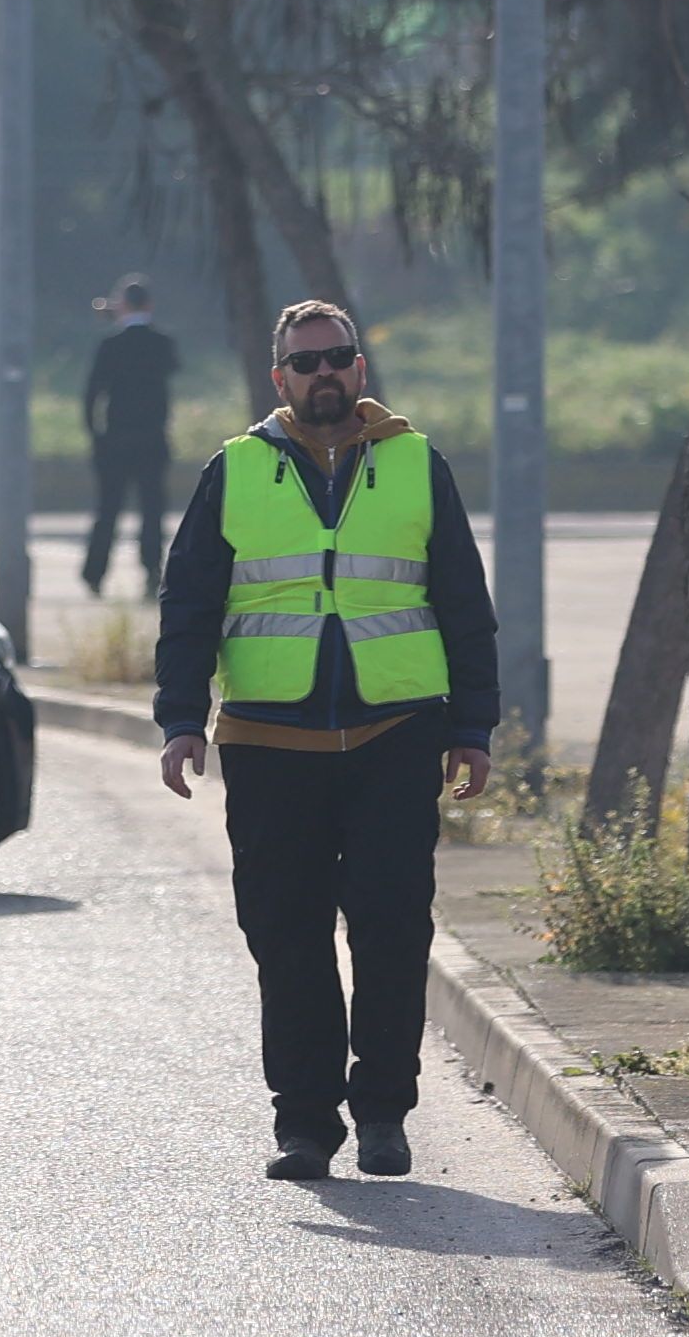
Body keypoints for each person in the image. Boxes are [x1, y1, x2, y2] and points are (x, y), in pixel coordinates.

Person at [154, 299, 498, 1182]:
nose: (323, 373)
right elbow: (189, 605)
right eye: (305, 362)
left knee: (391, 930)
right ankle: (305, 1123)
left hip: (394, 733)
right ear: (280, 379)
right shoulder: (234, 470)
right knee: (287, 934)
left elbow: (464, 605)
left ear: (360, 370)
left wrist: (472, 728)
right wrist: (181, 720)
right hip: (270, 740)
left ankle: (384, 1112)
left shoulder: (419, 464)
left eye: (338, 357)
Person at [82, 274, 180, 597]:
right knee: (152, 510)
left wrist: (95, 435)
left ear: (123, 305)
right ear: (149, 305)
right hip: (152, 438)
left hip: (114, 440)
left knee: (107, 509)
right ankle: (152, 570)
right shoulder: (162, 342)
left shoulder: (110, 344)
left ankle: (94, 574)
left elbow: (92, 394)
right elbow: (172, 368)